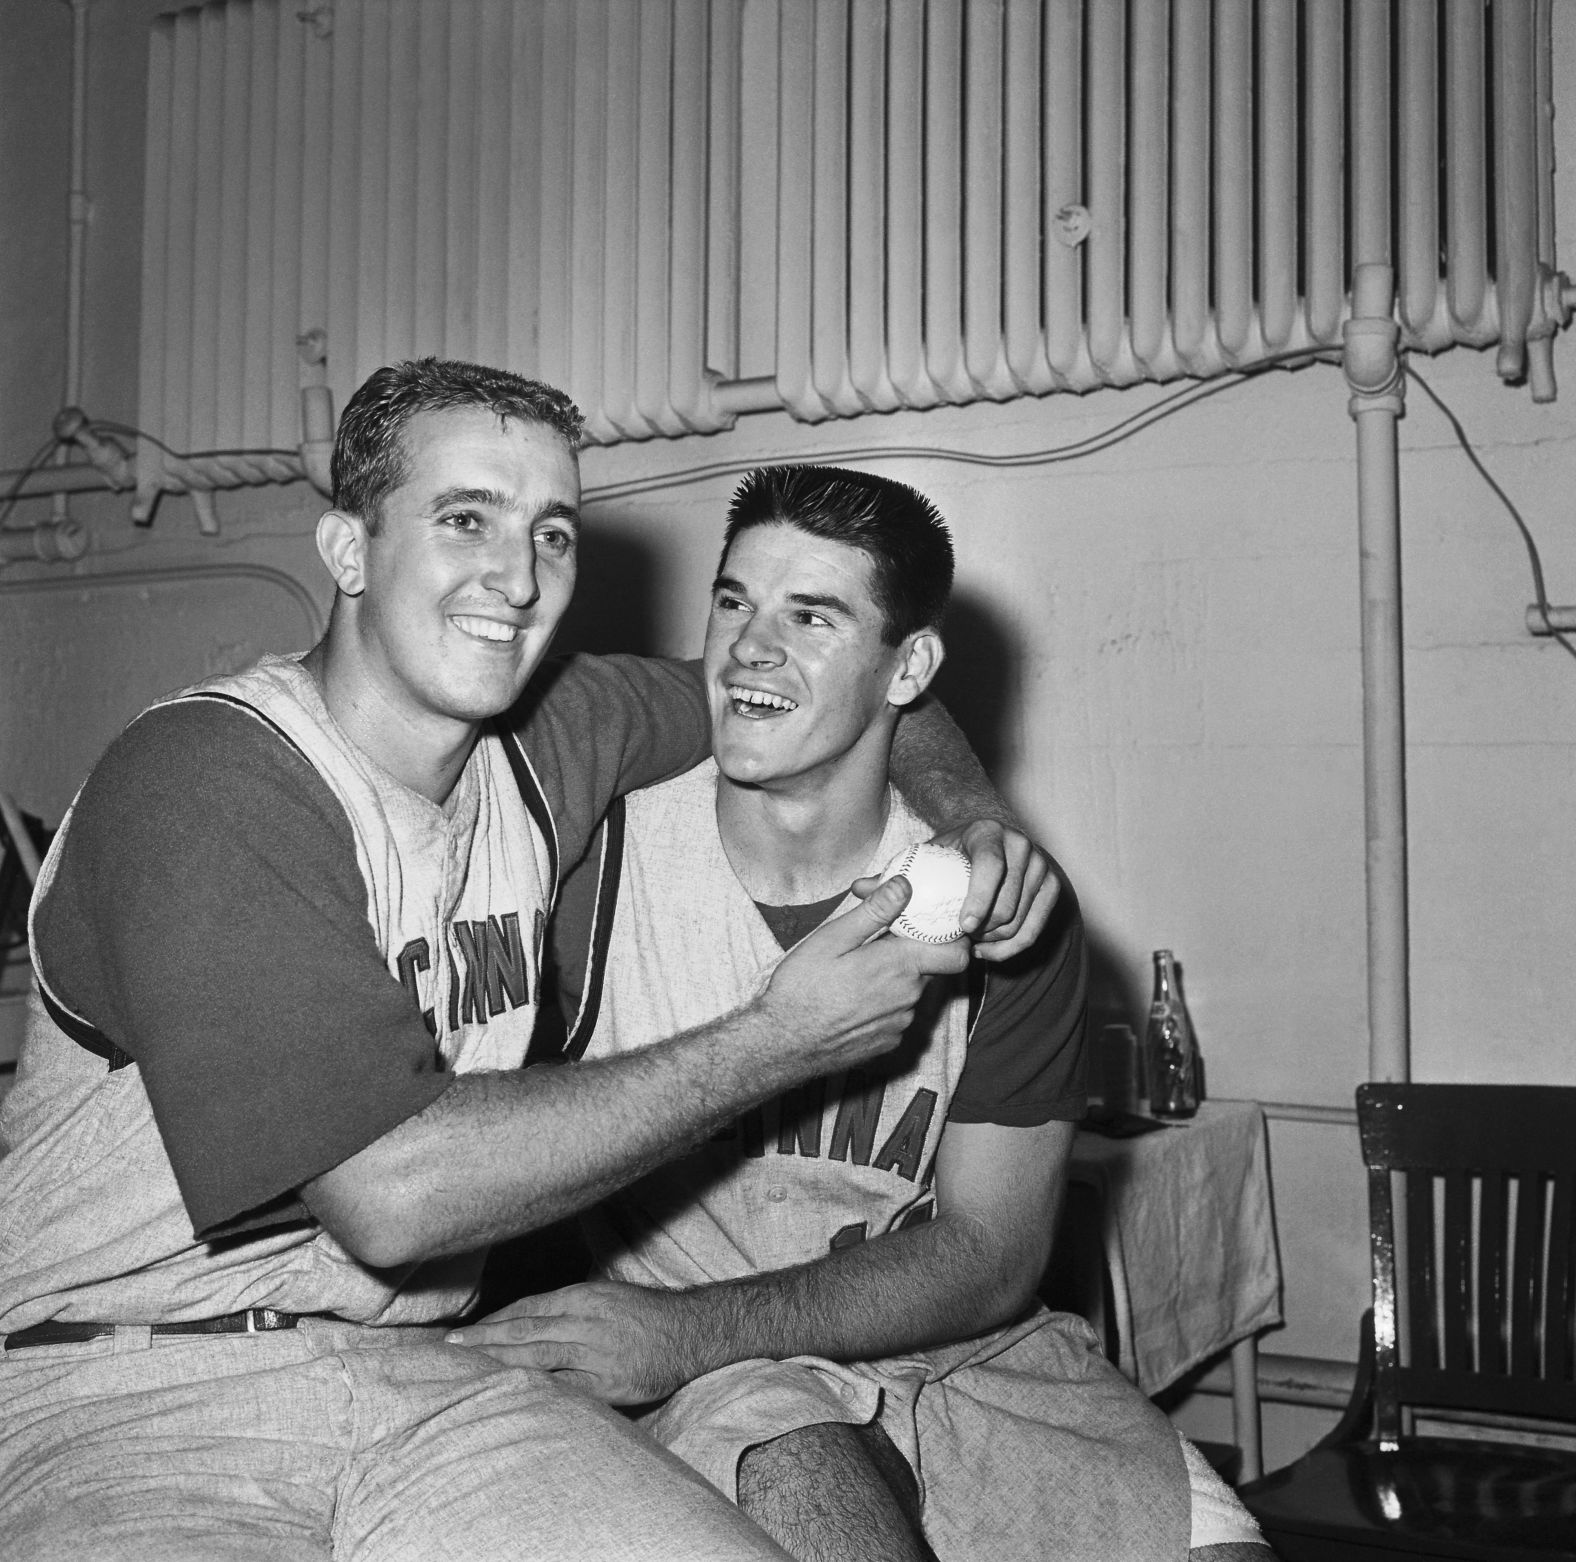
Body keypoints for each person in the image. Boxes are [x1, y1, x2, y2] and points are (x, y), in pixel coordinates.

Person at [0, 361, 1061, 1562]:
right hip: (134, 1392)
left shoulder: (553, 738)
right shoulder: (210, 777)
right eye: (466, 520)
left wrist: (978, 823)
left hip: (428, 1383)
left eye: (550, 532)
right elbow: (394, 1197)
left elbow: (851, 688)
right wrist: (780, 1033)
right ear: (348, 547)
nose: (517, 577)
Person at [450, 465, 1275, 1562]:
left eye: (812, 613)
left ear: (911, 666)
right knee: (805, 1483)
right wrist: (666, 1337)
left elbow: (990, 1251)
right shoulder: (589, 863)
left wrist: (680, 1327)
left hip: (965, 1355)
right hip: (723, 1377)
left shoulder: (1001, 906)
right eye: (735, 600)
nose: (749, 644)